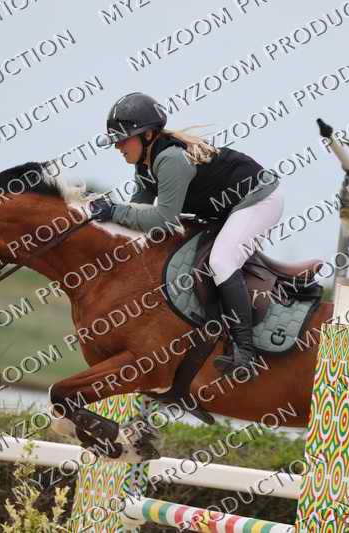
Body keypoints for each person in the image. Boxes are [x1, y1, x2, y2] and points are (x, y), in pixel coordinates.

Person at [89, 92, 284, 379]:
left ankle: (245, 352)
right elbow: (138, 213)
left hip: (259, 199)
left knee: (221, 261)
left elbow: (163, 219)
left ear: (148, 135)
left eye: (122, 139)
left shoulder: (170, 159)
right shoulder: (145, 164)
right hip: (226, 207)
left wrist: (115, 211)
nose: (117, 146)